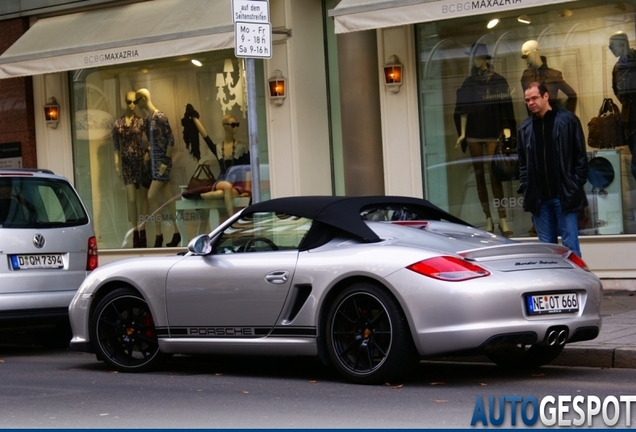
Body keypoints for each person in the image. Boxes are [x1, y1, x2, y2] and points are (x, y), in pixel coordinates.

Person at [517, 82, 589, 257]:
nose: (530, 103)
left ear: (546, 96)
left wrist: (574, 183)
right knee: (547, 251)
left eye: (534, 98)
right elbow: (523, 164)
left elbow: (580, 156)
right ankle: (555, 283)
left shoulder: (567, 120)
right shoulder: (525, 129)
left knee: (570, 246)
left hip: (563, 195)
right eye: (527, 100)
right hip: (539, 200)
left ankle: (575, 282)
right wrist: (527, 186)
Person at [454, 43, 516, 237]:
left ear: (484, 59)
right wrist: (462, 133)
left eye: (477, 57)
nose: (474, 60)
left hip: (492, 134)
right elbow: (462, 109)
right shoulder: (468, 83)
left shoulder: (498, 81)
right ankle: (488, 218)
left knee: (495, 175)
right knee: (480, 176)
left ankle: (503, 219)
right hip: (473, 135)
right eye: (472, 57)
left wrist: (506, 130)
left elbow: (506, 107)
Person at [134, 88, 180, 248]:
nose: (135, 104)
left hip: (162, 163)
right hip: (154, 163)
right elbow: (152, 142)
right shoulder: (148, 119)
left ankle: (159, 234)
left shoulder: (160, 116)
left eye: (137, 100)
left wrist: (165, 161)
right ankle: (177, 232)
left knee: (152, 196)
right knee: (169, 200)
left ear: (143, 99)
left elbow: (170, 139)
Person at [112, 91, 148, 248]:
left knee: (143, 199)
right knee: (132, 199)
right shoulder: (117, 124)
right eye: (129, 102)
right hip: (126, 165)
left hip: (141, 163)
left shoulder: (141, 122)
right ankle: (135, 232)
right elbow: (116, 148)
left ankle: (143, 231)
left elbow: (152, 138)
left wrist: (148, 153)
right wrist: (116, 164)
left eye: (134, 102)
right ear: (124, 102)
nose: (132, 105)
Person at [520, 40, 577, 113]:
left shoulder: (553, 75)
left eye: (527, 55)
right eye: (524, 57)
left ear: (535, 52)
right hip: (535, 121)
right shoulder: (526, 76)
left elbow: (572, 95)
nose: (526, 59)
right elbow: (527, 101)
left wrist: (567, 116)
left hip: (552, 119)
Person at [609, 31, 636, 180]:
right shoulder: (617, 67)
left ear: (621, 43)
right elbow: (616, 90)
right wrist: (627, 106)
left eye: (612, 45)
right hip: (629, 121)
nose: (611, 48)